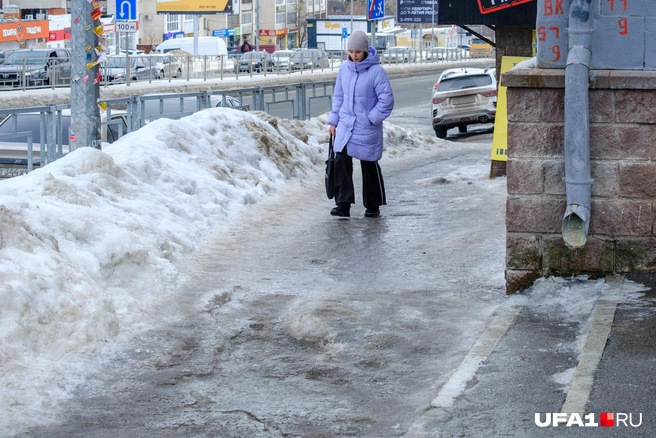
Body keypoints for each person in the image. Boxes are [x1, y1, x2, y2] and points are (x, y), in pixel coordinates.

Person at [326, 30, 394, 218]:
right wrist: (333, 121)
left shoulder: (376, 72)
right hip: (346, 125)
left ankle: (373, 205)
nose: (354, 56)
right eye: (351, 51)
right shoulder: (344, 69)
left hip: (366, 127)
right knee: (341, 160)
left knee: (369, 164)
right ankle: (343, 204)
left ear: (365, 51)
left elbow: (386, 100)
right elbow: (338, 97)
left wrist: (372, 118)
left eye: (358, 52)